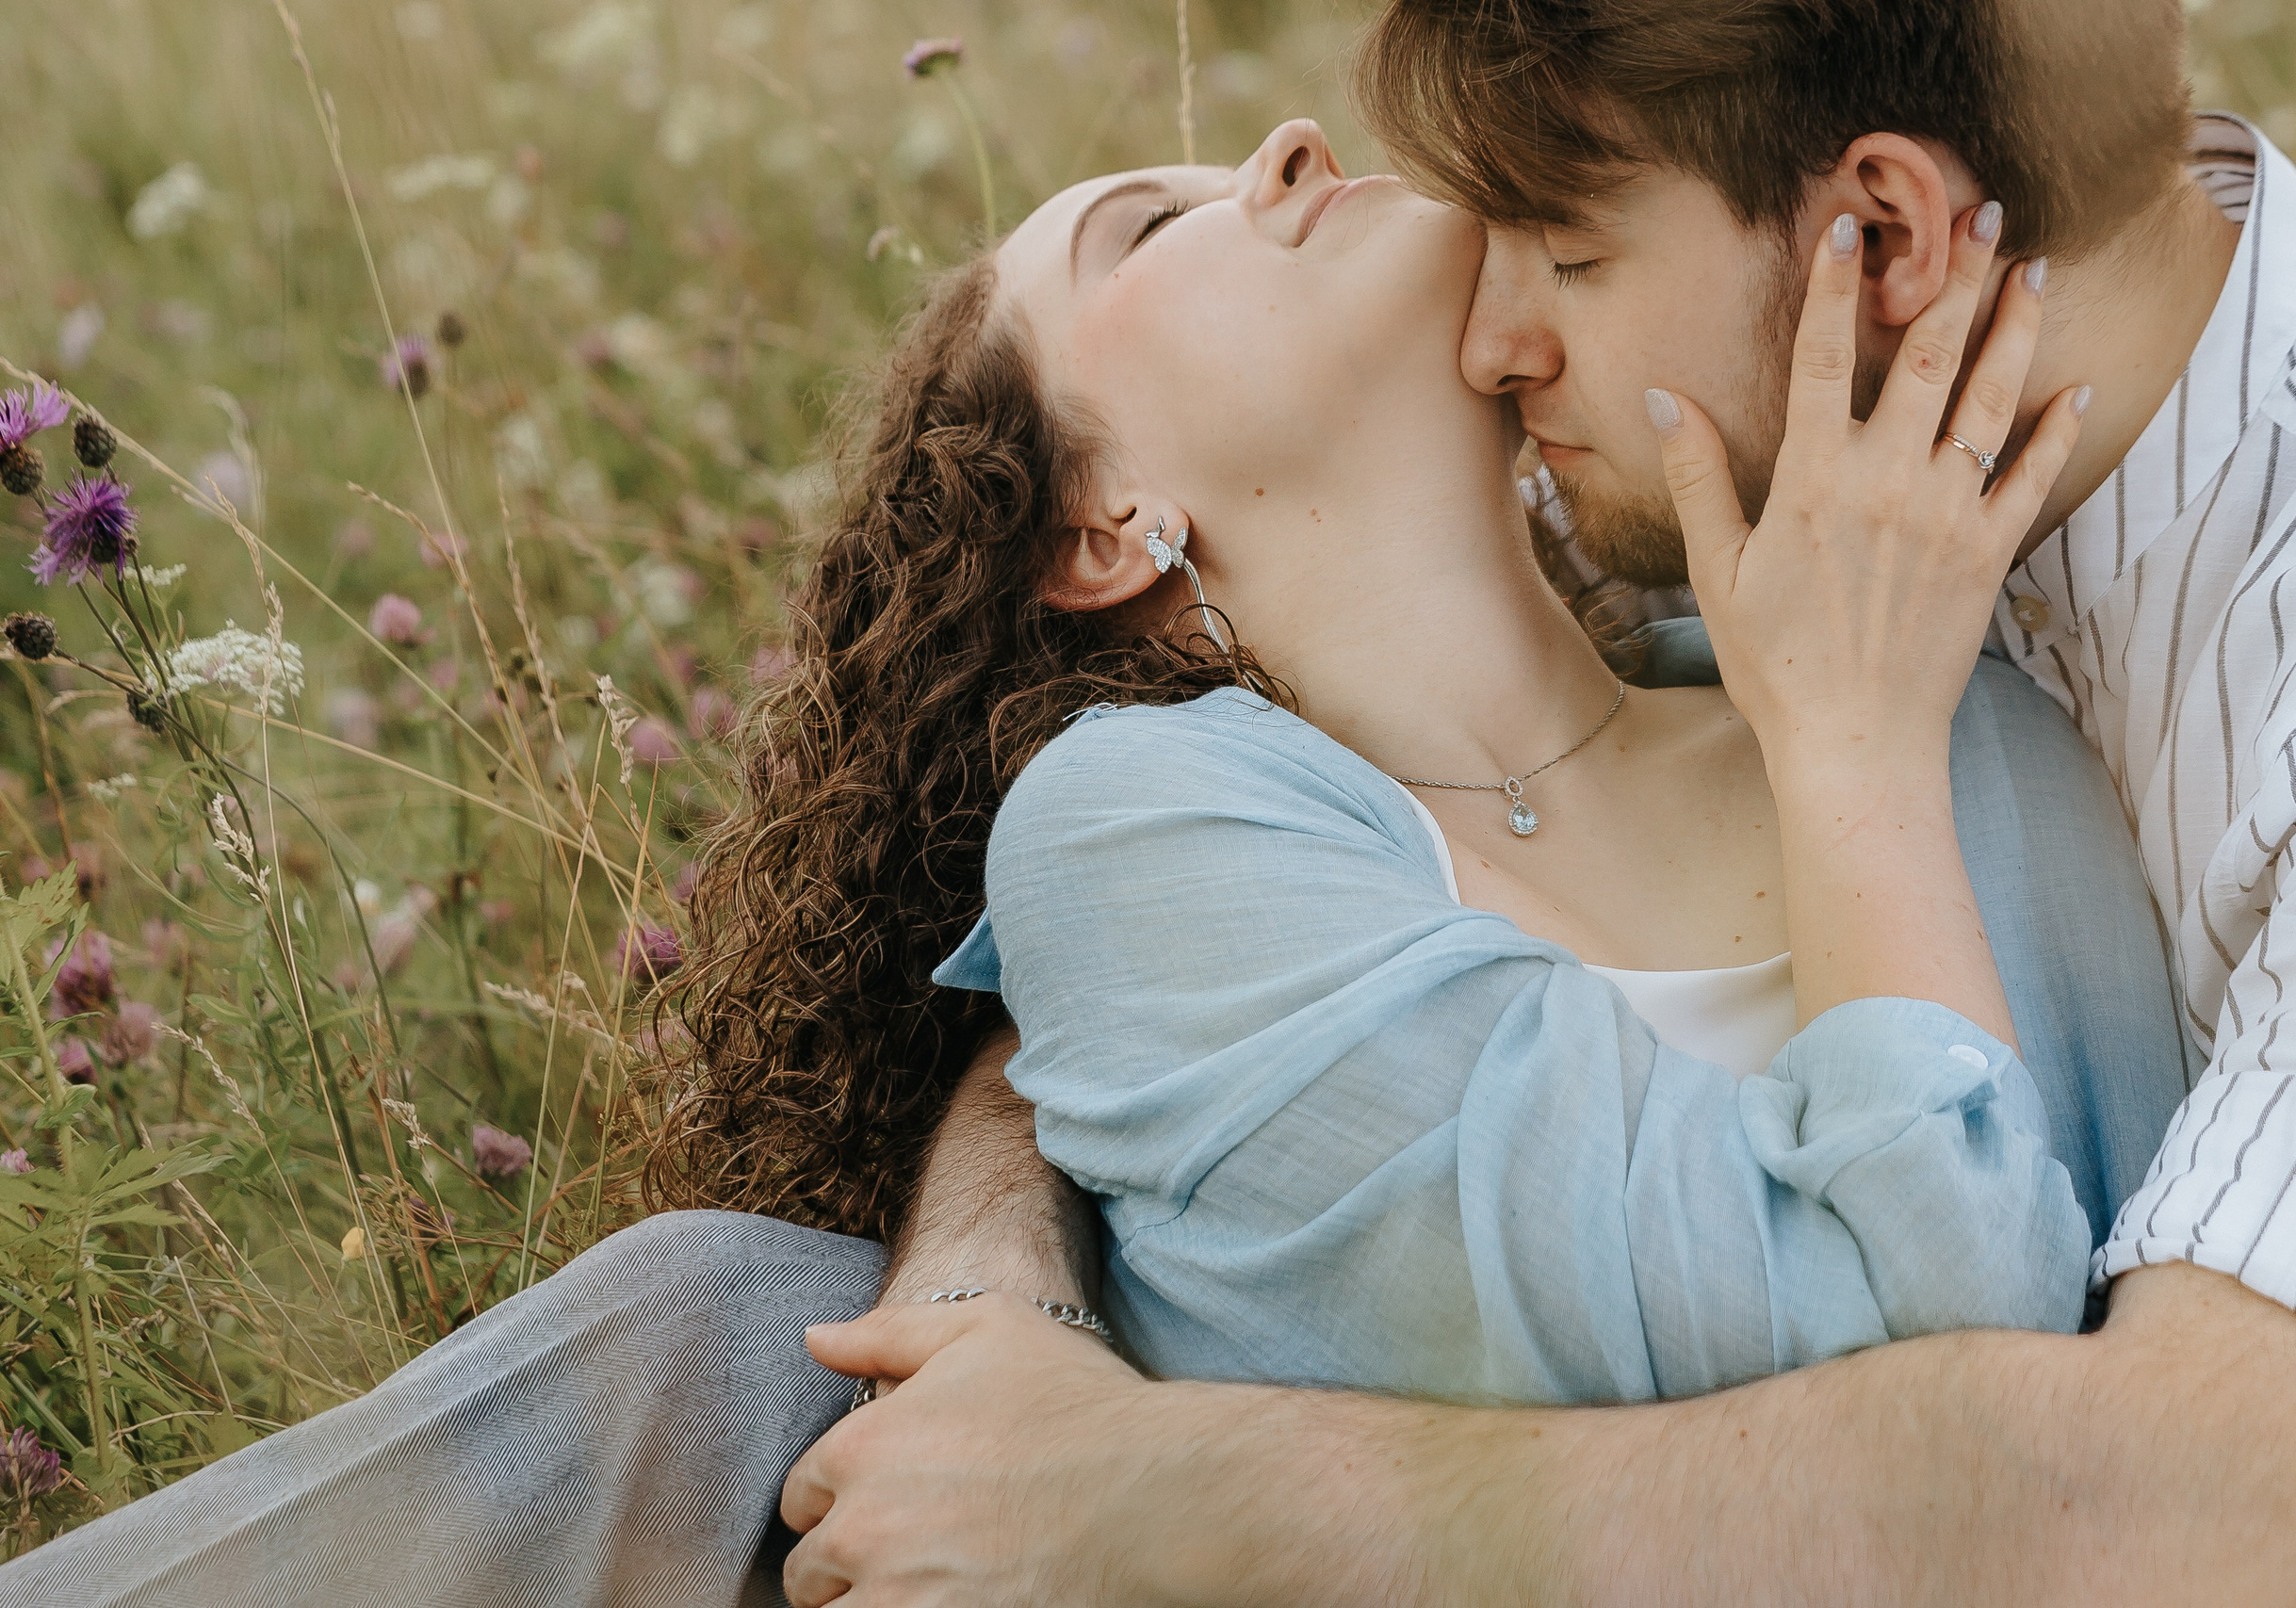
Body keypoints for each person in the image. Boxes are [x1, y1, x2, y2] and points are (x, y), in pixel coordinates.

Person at [2, 112, 2186, 1608]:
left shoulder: (1941, 681)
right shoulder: (1155, 840)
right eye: (1144, 230)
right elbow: (1969, 1353)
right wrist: (1859, 762)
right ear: (1099, 525)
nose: (1288, 150)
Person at [780, 2, 2296, 1605]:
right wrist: (1001, 1270)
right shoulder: (1827, 563)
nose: (1499, 335)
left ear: (1887, 239)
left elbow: (2169, 1520)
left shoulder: (2186, 685)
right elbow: (1162, 967)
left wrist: (1140, 1489)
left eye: (1565, 246)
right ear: (1099, 524)